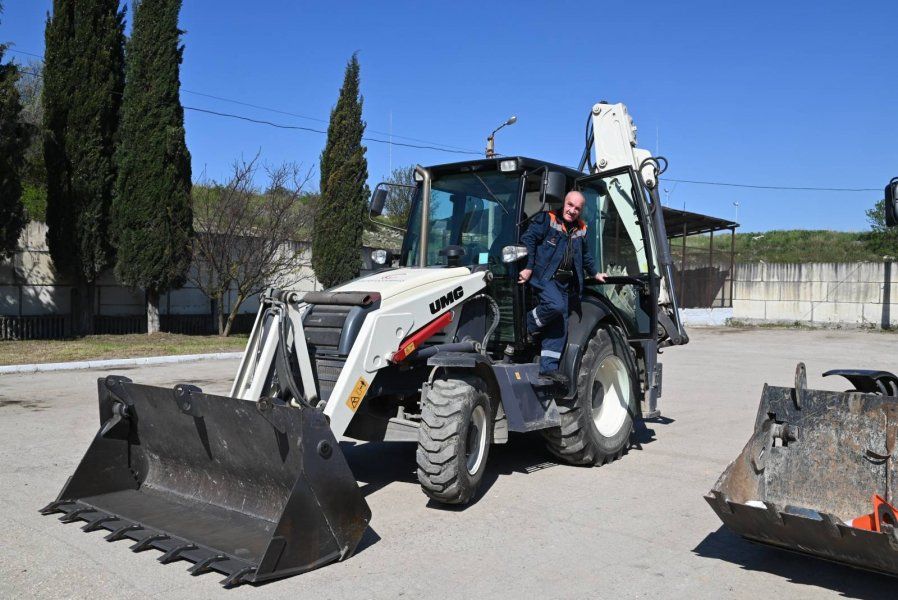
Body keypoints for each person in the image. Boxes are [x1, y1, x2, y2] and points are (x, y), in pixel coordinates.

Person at [518, 190, 606, 387]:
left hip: (565, 284)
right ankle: (525, 326)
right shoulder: (547, 220)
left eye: (577, 208)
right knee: (555, 307)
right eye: (570, 205)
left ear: (581, 211)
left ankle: (548, 368)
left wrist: (595, 273)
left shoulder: (581, 229)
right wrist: (528, 267)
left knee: (560, 326)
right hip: (545, 278)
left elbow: (586, 255)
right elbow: (528, 240)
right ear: (563, 203)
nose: (572, 210)